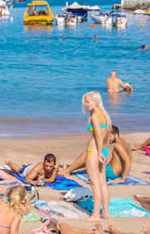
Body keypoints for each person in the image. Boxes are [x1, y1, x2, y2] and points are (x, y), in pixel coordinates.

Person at [60, 125, 132, 183]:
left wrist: (123, 179)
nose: (108, 139)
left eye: (109, 136)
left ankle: (67, 170)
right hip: (113, 170)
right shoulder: (123, 142)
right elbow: (129, 157)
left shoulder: (118, 146)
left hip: (111, 172)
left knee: (88, 153)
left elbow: (127, 161)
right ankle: (69, 169)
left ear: (115, 134)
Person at [81, 91, 111, 221]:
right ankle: (105, 212)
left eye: (88, 102)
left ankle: (95, 215)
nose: (86, 105)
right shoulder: (104, 114)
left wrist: (98, 152)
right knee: (103, 183)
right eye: (85, 102)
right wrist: (103, 151)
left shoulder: (94, 116)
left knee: (95, 183)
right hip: (104, 149)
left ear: (95, 101)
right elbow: (108, 135)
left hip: (95, 151)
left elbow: (98, 135)